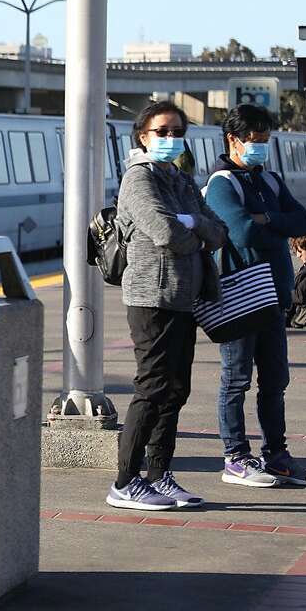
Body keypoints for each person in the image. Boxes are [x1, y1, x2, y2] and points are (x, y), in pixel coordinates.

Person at [108, 101, 229, 511]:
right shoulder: (138, 180)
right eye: (162, 131)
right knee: (153, 386)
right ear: (143, 135)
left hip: (183, 296)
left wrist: (192, 223)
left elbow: (220, 229)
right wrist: (193, 227)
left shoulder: (179, 178)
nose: (171, 139)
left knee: (176, 389)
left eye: (177, 132)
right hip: (151, 297)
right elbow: (164, 232)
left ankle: (159, 475)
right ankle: (125, 482)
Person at [205, 104, 306, 488]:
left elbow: (305, 222)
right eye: (254, 141)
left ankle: (276, 455)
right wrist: (274, 225)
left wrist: (267, 219)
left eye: (264, 140)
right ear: (232, 140)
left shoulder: (269, 180)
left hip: (274, 294)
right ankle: (236, 457)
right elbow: (241, 233)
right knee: (236, 379)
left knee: (275, 380)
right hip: (239, 295)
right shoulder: (222, 183)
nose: (259, 147)